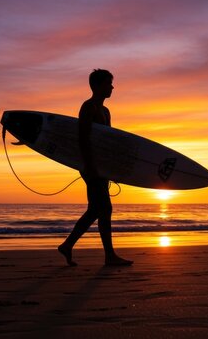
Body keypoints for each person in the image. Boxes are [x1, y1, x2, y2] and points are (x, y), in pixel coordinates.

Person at [57, 69, 133, 267]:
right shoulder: (88, 108)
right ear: (97, 86)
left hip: (101, 167)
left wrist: (111, 169)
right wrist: (90, 167)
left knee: (95, 210)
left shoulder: (106, 111)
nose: (112, 87)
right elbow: (82, 139)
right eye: (108, 84)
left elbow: (107, 143)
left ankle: (67, 245)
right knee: (105, 209)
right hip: (90, 166)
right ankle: (109, 256)